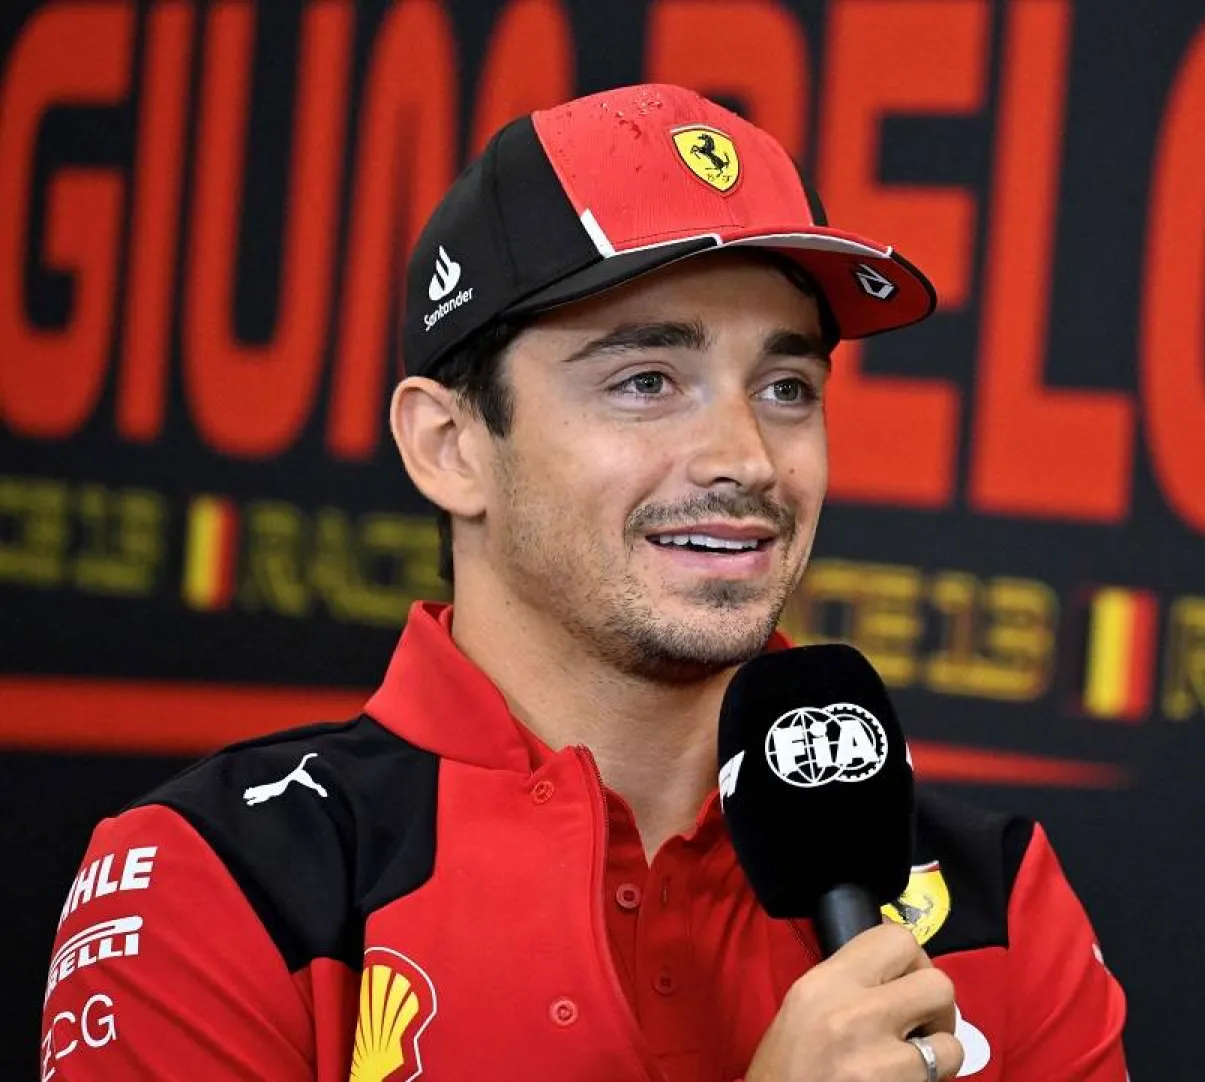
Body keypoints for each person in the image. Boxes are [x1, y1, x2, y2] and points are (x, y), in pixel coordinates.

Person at [41, 84, 1128, 1081]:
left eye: (787, 384)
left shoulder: (994, 897)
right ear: (449, 444)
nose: (748, 457)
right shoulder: (219, 879)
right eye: (647, 380)